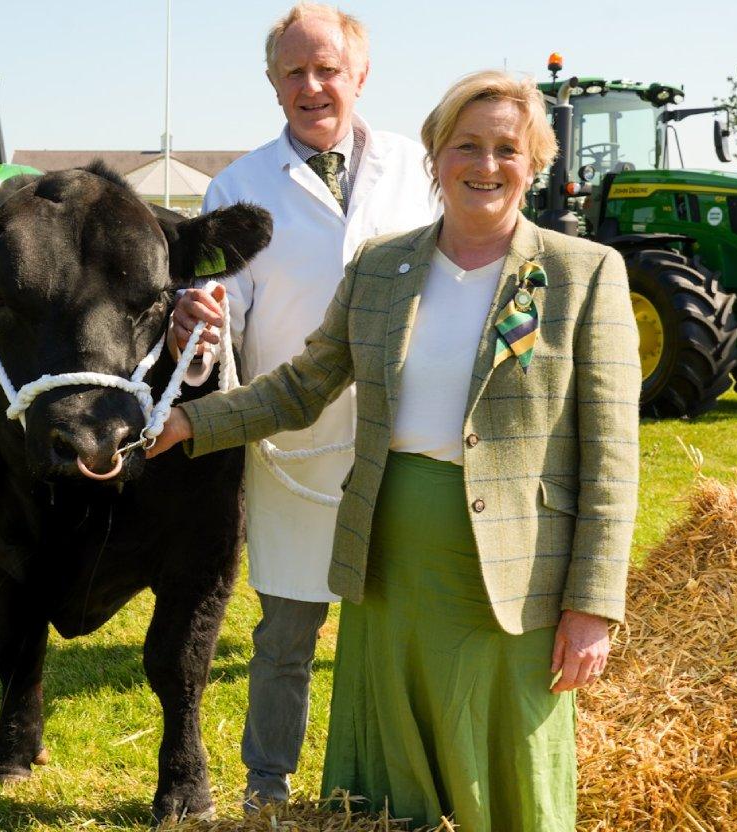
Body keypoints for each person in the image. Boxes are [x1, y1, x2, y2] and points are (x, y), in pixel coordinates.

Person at [153, 69, 640, 830]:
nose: (485, 165)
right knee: (395, 778)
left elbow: (611, 458)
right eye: (466, 146)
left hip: (517, 576)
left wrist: (593, 606)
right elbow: (301, 387)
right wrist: (191, 424)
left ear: (534, 161)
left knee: (508, 771)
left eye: (506, 149)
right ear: (435, 155)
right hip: (390, 562)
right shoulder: (382, 266)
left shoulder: (586, 275)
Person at [165, 2, 439, 809]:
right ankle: (268, 792)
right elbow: (226, 314)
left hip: (410, 438)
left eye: (328, 70)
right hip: (294, 441)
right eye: (294, 72)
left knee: (398, 630)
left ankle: (400, 788)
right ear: (272, 81)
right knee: (287, 633)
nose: (312, 86)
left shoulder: (417, 169)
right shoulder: (238, 186)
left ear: (360, 76)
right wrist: (203, 329)